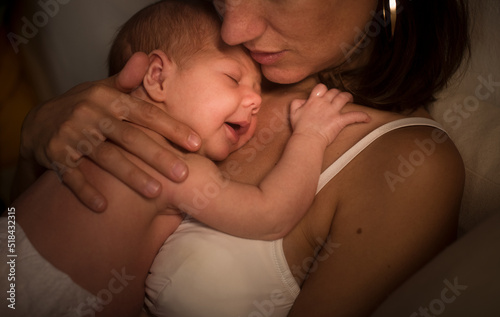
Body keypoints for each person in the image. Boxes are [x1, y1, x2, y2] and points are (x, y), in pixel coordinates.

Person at [9, 0, 470, 316]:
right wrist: (38, 136)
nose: (234, 30)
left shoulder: (410, 166)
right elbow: (30, 234)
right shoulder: (196, 54)